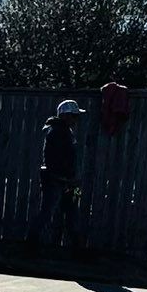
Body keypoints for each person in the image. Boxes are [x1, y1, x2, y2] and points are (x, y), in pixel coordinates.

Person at [38, 97, 86, 249]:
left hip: (64, 179)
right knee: (48, 213)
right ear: (65, 116)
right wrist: (65, 176)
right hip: (57, 179)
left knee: (69, 213)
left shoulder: (64, 132)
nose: (76, 120)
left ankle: (76, 248)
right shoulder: (58, 132)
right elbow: (57, 158)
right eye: (74, 116)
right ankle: (32, 245)